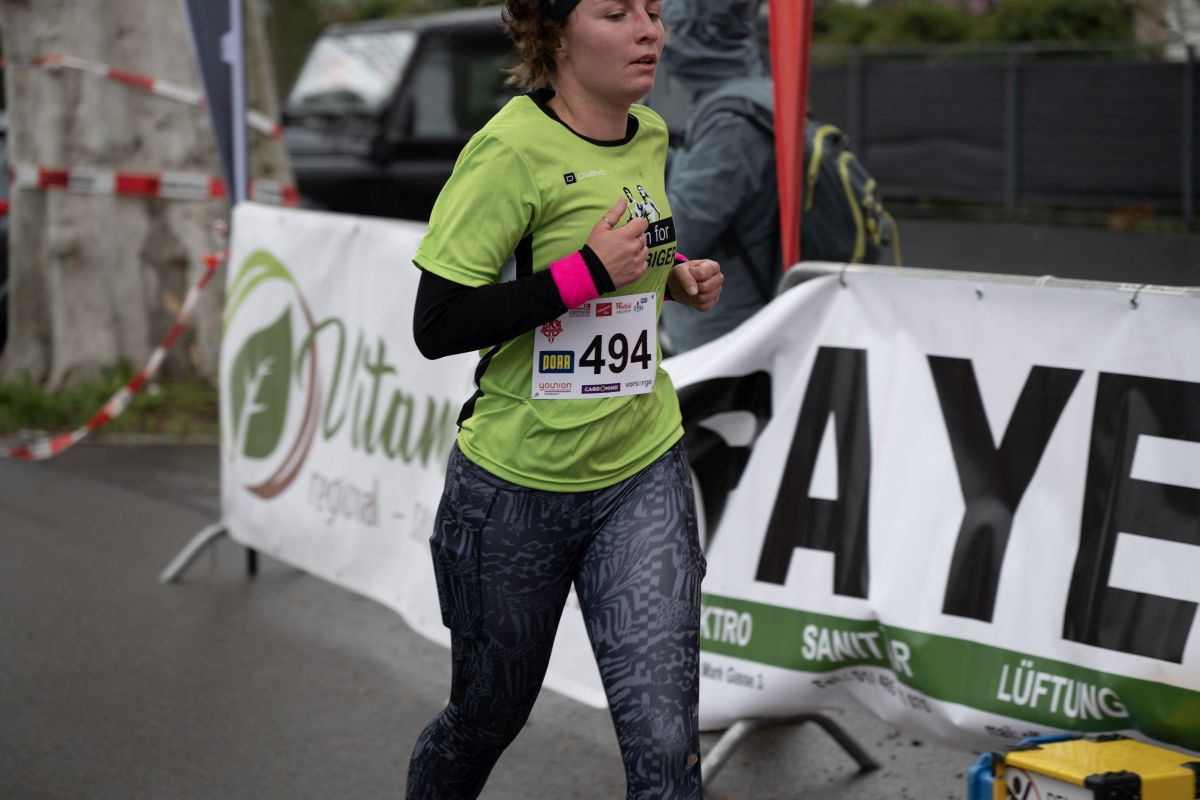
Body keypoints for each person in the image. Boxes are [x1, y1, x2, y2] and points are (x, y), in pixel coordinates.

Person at [406, 0, 723, 797]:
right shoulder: (508, 152)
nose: (649, 29)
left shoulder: (649, 134)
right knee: (484, 719)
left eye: (654, 9)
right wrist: (586, 273)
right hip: (516, 489)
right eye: (617, 12)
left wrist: (673, 277)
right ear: (553, 35)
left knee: (668, 750)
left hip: (640, 471)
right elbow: (437, 323)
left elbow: (628, 253)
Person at [658, 0, 776, 355]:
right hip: (732, 325)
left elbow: (680, 235)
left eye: (669, 29)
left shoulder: (731, 121)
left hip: (725, 340)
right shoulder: (750, 94)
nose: (661, 41)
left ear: (700, 35)